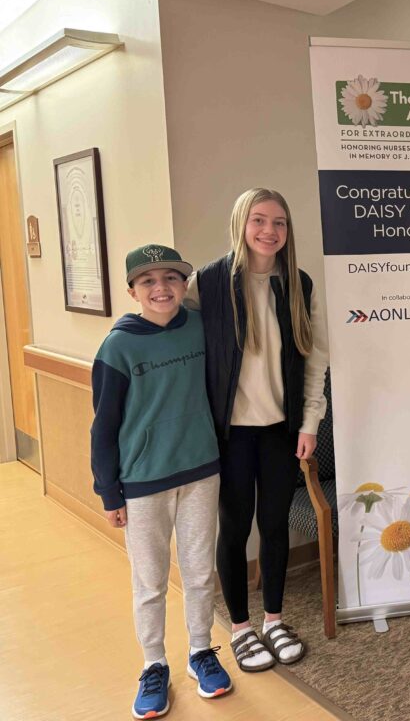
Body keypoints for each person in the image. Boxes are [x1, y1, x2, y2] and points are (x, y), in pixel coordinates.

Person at [188, 188, 328, 670]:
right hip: (229, 435)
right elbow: (180, 343)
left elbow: (315, 359)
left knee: (273, 525)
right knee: (233, 528)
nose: (270, 231)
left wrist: (309, 423)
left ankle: (273, 619)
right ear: (241, 224)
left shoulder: (298, 284)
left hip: (279, 431)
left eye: (280, 222)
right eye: (259, 220)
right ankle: (241, 628)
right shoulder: (207, 283)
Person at [91, 244, 231, 719]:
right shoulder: (118, 346)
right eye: (148, 281)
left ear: (184, 285)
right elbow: (103, 426)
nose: (161, 288)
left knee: (199, 572)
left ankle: (200, 651)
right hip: (143, 482)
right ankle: (154, 664)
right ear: (133, 291)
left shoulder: (199, 327)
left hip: (200, 470)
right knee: (149, 581)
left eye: (171, 278)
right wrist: (109, 490)